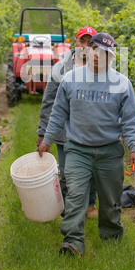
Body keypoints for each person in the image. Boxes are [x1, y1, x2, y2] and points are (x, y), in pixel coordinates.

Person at [38, 32, 135, 256]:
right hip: (77, 149)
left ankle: (111, 235)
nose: (98, 56)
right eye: (95, 50)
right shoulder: (70, 80)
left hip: (110, 151)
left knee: (110, 199)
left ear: (111, 58)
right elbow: (58, 114)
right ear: (87, 50)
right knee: (75, 194)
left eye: (105, 53)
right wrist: (47, 140)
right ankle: (73, 241)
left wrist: (134, 148)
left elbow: (131, 120)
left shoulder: (122, 84)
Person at [36, 26, 98, 218]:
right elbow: (49, 102)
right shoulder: (60, 68)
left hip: (92, 131)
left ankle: (89, 204)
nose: (85, 47)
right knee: (67, 172)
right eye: (82, 41)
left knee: (93, 171)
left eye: (90, 43)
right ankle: (69, 209)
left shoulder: (101, 68)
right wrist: (43, 134)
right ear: (75, 43)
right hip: (65, 132)